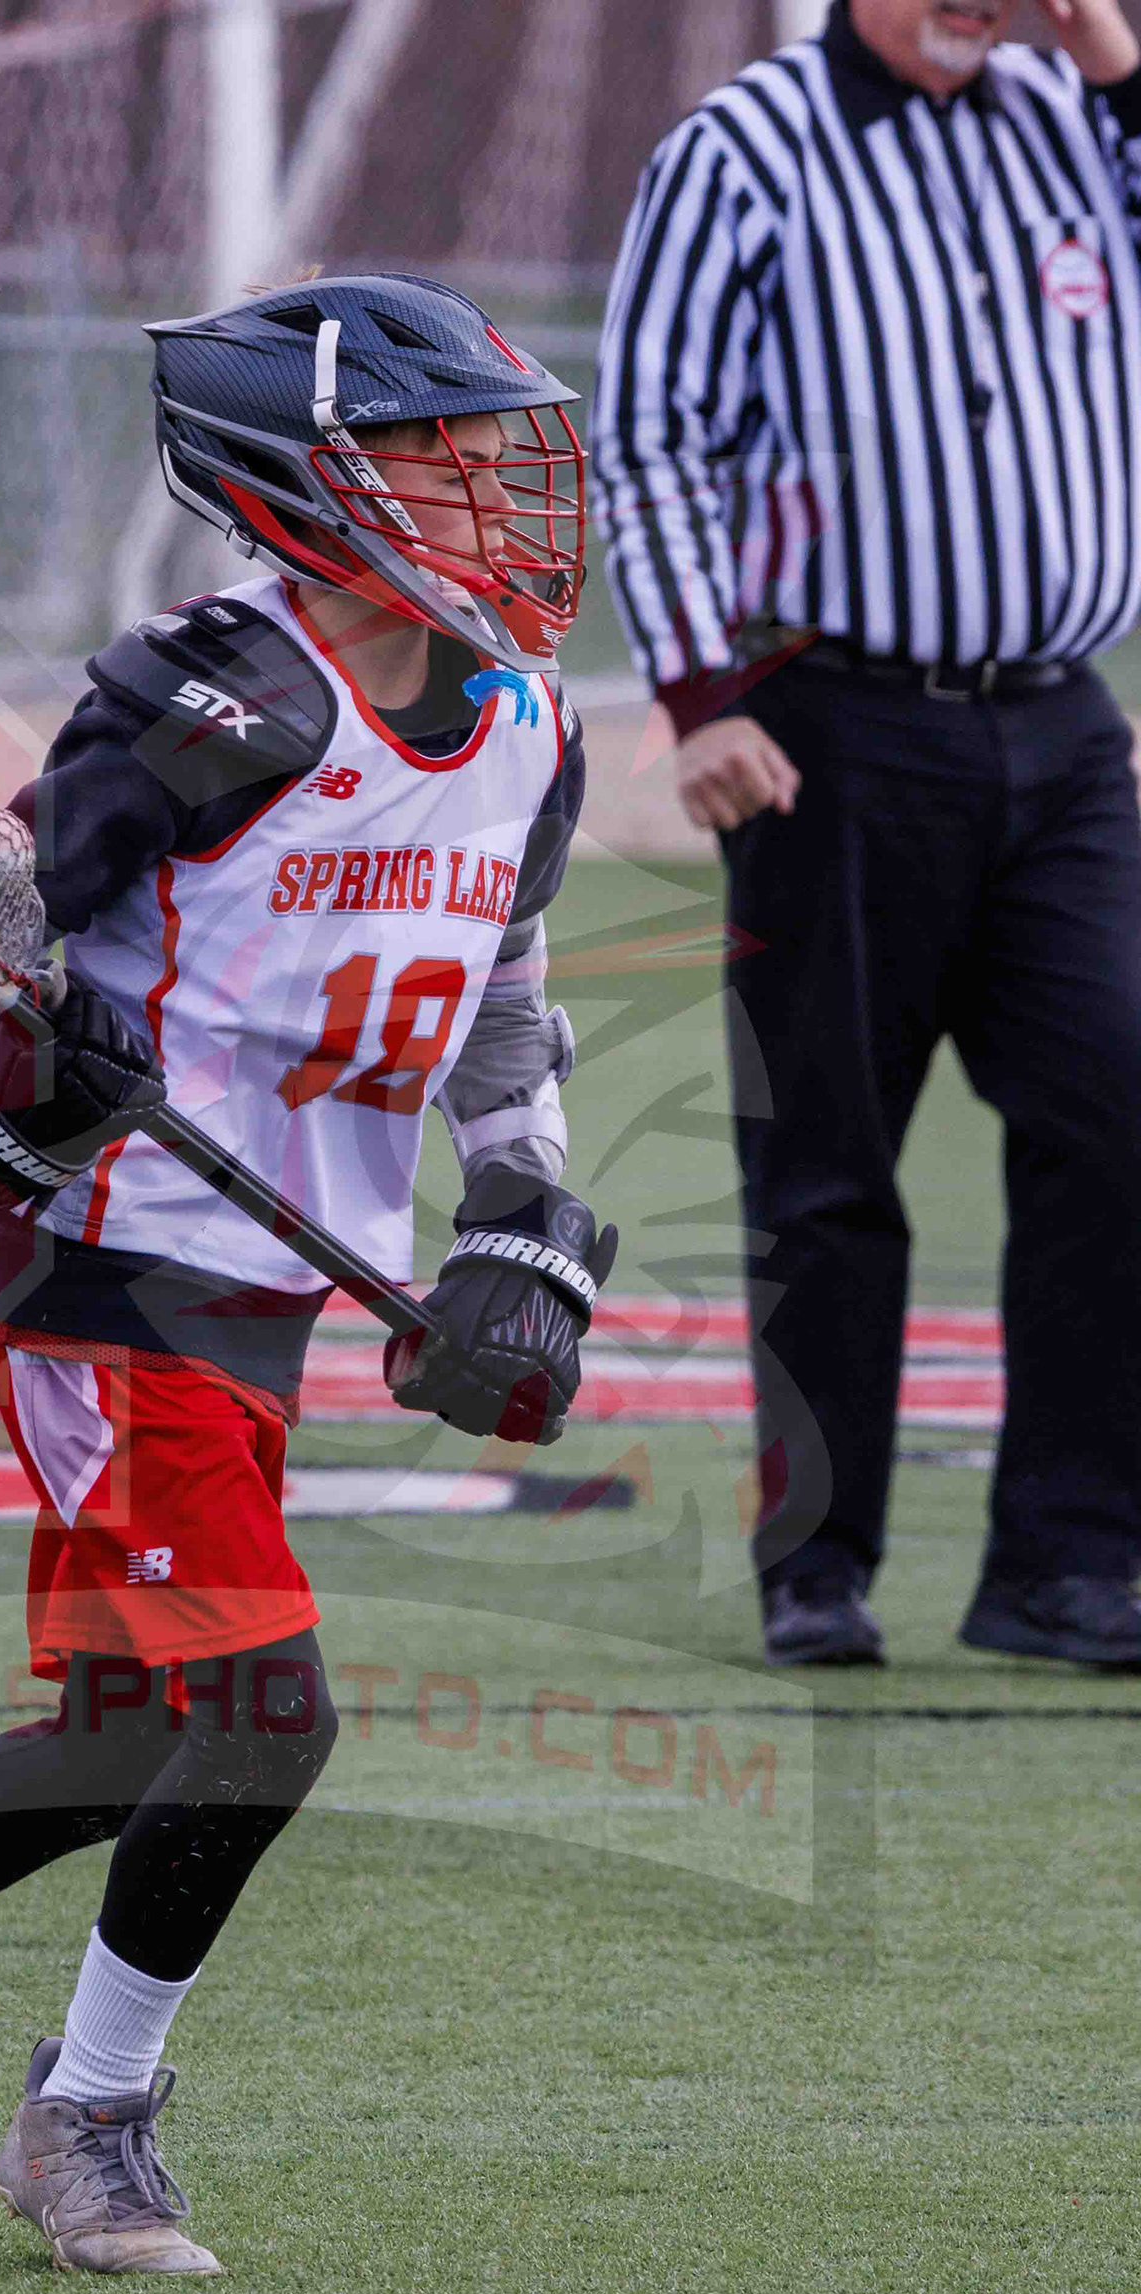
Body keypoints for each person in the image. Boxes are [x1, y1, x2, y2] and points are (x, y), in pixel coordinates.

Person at [0, 273, 614, 2273]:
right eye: (441, 460)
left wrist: (521, 1215)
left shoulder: (528, 723)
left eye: (493, 459)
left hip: (271, 1288)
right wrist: (0, 1072)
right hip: (110, 1269)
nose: (495, 499)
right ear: (302, 480)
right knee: (266, 1712)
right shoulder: (212, 697)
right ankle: (87, 2117)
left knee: (120, 1737)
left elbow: (505, 994)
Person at [593, 0, 1141, 1671]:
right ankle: (817, 1564)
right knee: (828, 1160)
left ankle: (1067, 1564)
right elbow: (651, 435)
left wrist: (1120, 62)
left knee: (1118, 1115)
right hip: (827, 720)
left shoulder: (1079, 120)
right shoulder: (740, 149)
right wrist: (702, 697)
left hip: (1060, 723)